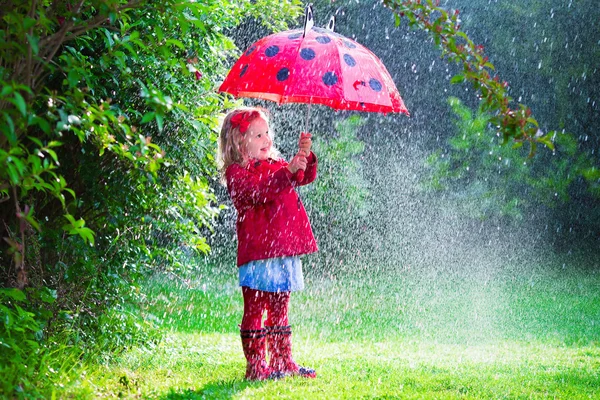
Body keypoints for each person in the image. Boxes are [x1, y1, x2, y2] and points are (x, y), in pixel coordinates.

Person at [218, 106, 318, 381]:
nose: (267, 140)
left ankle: (282, 361)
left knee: (279, 308)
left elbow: (301, 178)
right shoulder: (237, 173)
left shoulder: (275, 164)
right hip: (259, 253)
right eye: (258, 135)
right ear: (240, 142)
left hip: (283, 250)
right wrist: (287, 171)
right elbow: (260, 191)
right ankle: (256, 366)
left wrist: (304, 159)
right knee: (255, 308)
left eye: (267, 133)